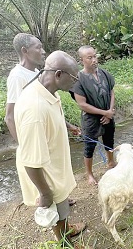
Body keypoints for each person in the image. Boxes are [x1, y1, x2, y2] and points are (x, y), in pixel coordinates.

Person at [14, 51, 86, 245]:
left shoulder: (49, 91)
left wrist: (68, 126)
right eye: (74, 77)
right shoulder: (35, 108)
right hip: (47, 174)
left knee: (63, 208)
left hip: (56, 164)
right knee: (57, 211)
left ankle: (67, 230)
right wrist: (45, 193)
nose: (76, 82)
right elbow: (30, 162)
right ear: (58, 75)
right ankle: (65, 242)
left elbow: (53, 115)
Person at [4, 33, 79, 206]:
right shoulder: (17, 77)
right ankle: (61, 225)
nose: (43, 51)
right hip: (34, 139)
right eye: (38, 47)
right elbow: (10, 116)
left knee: (56, 177)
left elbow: (49, 108)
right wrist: (26, 147)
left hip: (46, 136)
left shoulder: (40, 73)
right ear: (25, 51)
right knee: (47, 184)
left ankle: (62, 200)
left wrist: (67, 125)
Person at [71, 46, 116, 185]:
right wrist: (104, 113)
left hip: (108, 115)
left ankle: (111, 162)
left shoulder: (104, 73)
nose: (94, 60)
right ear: (81, 60)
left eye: (95, 56)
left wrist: (110, 112)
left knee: (109, 141)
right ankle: (89, 174)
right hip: (90, 119)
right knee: (89, 146)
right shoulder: (78, 79)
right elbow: (82, 104)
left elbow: (112, 92)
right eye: (90, 58)